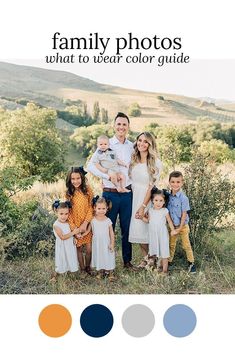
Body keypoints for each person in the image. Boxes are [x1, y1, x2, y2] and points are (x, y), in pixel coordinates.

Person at [87, 112, 135, 270]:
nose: (121, 127)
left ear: (128, 127)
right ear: (114, 126)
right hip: (110, 193)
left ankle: (127, 262)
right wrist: (106, 175)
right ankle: (106, 264)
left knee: (127, 228)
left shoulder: (131, 146)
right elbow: (91, 165)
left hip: (127, 193)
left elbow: (132, 168)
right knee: (108, 228)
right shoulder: (106, 144)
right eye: (119, 124)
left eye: (124, 124)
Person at [128, 131, 163, 268]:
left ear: (150, 144)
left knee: (147, 229)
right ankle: (146, 258)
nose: (142, 143)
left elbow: (151, 187)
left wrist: (143, 206)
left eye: (145, 141)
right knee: (138, 229)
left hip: (147, 199)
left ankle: (153, 259)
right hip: (134, 197)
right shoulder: (134, 160)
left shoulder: (156, 163)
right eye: (140, 140)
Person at [66, 166, 94, 275]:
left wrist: (86, 224)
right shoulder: (68, 193)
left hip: (86, 224)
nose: (76, 181)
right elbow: (68, 212)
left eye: (78, 178)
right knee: (78, 249)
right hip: (76, 226)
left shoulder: (87, 190)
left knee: (88, 249)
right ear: (69, 180)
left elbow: (91, 207)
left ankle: (88, 267)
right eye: (73, 179)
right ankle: (82, 269)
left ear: (82, 178)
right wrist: (75, 229)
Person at [167, 171, 196, 273]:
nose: (175, 184)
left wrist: (179, 228)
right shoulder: (168, 196)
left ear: (182, 183)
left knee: (186, 245)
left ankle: (191, 263)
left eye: (178, 182)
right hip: (173, 226)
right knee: (171, 244)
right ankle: (169, 261)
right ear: (169, 182)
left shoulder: (184, 198)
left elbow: (184, 214)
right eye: (173, 182)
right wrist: (173, 228)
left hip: (183, 226)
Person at [142, 188, 175, 274]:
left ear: (164, 202)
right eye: (156, 200)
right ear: (152, 201)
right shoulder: (150, 211)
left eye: (161, 200)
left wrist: (173, 230)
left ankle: (164, 270)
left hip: (162, 234)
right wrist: (141, 217)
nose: (158, 203)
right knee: (155, 251)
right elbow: (148, 221)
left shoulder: (165, 211)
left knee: (164, 251)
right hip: (153, 234)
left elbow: (170, 221)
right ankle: (156, 266)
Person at [51, 200, 79, 281]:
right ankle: (54, 276)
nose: (64, 216)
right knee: (61, 261)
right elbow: (62, 237)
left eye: (66, 214)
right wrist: (74, 232)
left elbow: (69, 233)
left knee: (69, 258)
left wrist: (74, 238)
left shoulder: (68, 222)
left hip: (69, 245)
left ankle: (70, 273)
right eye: (61, 214)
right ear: (56, 212)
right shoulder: (56, 225)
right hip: (62, 246)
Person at [91, 196, 115, 281]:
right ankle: (100, 272)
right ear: (95, 208)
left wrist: (112, 243)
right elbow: (89, 231)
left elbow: (111, 233)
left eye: (103, 208)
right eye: (99, 208)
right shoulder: (93, 220)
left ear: (107, 208)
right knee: (99, 256)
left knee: (108, 256)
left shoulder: (108, 220)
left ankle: (110, 273)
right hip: (97, 243)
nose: (101, 210)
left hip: (106, 242)